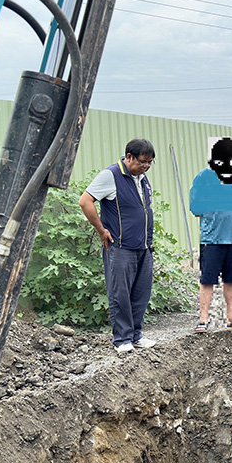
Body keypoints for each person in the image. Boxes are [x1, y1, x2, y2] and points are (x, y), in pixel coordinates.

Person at [79, 139, 158, 354]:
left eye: (150, 163)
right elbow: (85, 201)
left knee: (141, 293)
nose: (146, 166)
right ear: (129, 157)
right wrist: (101, 229)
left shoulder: (141, 178)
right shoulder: (110, 175)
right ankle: (122, 339)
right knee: (120, 293)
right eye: (143, 162)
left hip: (143, 246)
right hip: (121, 247)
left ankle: (136, 334)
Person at [190, 137, 232, 332]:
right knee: (208, 279)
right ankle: (203, 319)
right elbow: (195, 207)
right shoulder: (203, 178)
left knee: (231, 279)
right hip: (212, 238)